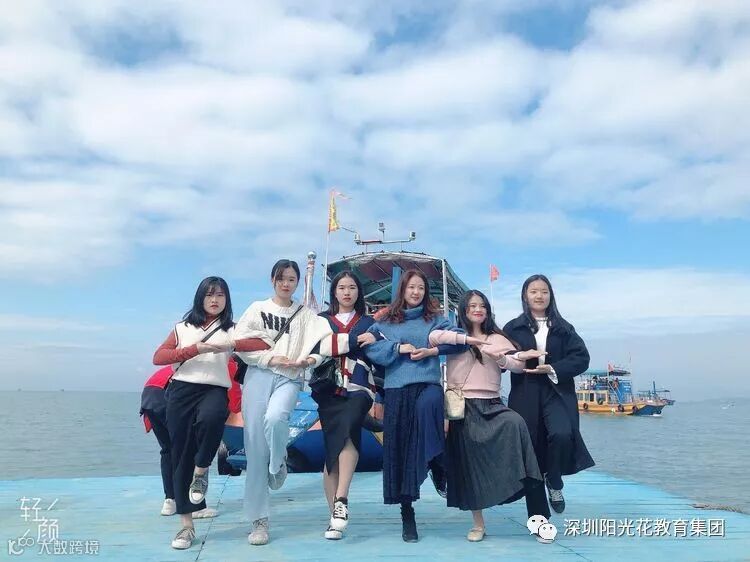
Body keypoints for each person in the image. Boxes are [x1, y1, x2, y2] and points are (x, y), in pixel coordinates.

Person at [152, 276, 266, 550]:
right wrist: (195, 350)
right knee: (181, 454)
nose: (214, 300)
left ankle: (201, 470)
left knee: (212, 418)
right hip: (181, 391)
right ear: (200, 298)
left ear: (227, 299)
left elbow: (263, 343)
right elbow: (159, 357)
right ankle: (186, 526)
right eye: (209, 295)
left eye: (220, 295)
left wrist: (231, 345)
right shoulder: (182, 328)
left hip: (214, 389)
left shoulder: (232, 329)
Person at [359, 269, 472, 543]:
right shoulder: (385, 321)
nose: (416, 292)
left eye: (421, 287)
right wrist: (398, 349)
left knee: (430, 404)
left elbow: (459, 341)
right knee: (401, 453)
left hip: (428, 385)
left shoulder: (436, 320)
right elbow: (369, 347)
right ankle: (407, 513)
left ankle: (437, 462)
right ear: (402, 290)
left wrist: (433, 350)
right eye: (411, 287)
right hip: (397, 390)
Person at [429, 290, 550, 542]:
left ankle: (537, 513)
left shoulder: (497, 338)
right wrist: (467, 340)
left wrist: (505, 359)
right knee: (469, 465)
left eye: (482, 305)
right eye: (472, 305)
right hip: (462, 406)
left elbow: (516, 363)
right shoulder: (454, 336)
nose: (478, 309)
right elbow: (433, 337)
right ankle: (478, 524)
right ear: (463, 310)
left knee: (516, 424)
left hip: (492, 403)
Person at [233, 259, 333, 546]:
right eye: (281, 278)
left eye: (291, 279)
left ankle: (278, 463)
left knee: (277, 417)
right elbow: (241, 343)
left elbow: (325, 342)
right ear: (272, 280)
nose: (286, 284)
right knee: (255, 448)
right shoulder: (257, 309)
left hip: (289, 377)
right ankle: (259, 520)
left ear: (298, 282)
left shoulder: (306, 315)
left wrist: (311, 359)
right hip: (258, 376)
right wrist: (270, 357)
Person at [503, 274, 595, 515]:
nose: (539, 296)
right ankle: (539, 518)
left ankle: (554, 480)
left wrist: (553, 368)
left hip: (556, 388)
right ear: (525, 296)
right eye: (533, 291)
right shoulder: (513, 327)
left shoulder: (563, 328)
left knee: (562, 434)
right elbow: (502, 358)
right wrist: (517, 358)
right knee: (531, 449)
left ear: (551, 295)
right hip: (525, 390)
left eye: (544, 291)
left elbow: (581, 358)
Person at [310, 271, 378, 540]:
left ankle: (342, 498)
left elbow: (377, 353)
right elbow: (316, 348)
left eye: (352, 287)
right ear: (334, 292)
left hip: (359, 387)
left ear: (359, 292)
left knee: (349, 428)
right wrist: (352, 342)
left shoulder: (370, 322)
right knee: (332, 450)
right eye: (341, 287)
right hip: (328, 389)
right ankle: (334, 518)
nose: (347, 292)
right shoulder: (321, 321)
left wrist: (372, 341)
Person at [140, 365, 222, 520]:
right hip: (171, 392)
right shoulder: (222, 366)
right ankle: (195, 507)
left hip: (150, 395)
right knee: (189, 449)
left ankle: (170, 501)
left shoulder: (190, 363)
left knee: (168, 450)